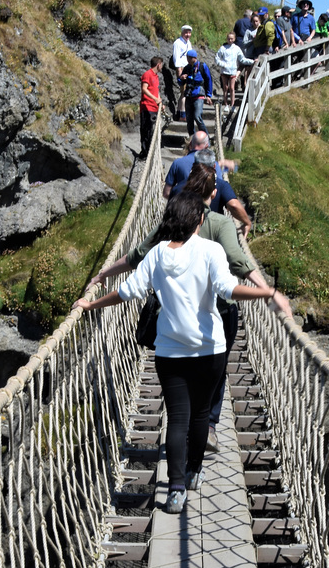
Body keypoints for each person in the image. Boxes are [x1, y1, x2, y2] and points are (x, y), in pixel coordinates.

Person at [75, 192, 279, 513]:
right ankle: (195, 472)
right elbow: (227, 289)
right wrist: (264, 291)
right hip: (210, 351)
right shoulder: (211, 250)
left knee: (177, 419)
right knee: (200, 415)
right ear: (199, 220)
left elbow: (126, 292)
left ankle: (176, 488)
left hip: (169, 353)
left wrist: (90, 303)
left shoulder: (156, 254)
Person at [87, 165, 293, 455]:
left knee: (179, 402)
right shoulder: (221, 224)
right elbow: (239, 263)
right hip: (221, 313)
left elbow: (137, 257)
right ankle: (208, 426)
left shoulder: (171, 224)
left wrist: (102, 275)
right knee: (215, 376)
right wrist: (268, 292)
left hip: (174, 329)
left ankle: (179, 473)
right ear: (214, 192)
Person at [215, 32, 253, 113]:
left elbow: (242, 59)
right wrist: (223, 64)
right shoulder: (223, 48)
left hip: (232, 71)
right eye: (228, 38)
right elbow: (217, 58)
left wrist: (252, 61)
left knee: (232, 88)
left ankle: (232, 105)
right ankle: (226, 104)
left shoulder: (236, 48)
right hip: (224, 70)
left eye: (232, 38)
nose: (230, 40)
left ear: (234, 39)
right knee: (225, 88)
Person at [179, 49, 212, 137]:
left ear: (195, 58)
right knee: (189, 119)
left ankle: (206, 137)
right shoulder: (187, 68)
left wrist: (208, 95)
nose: (188, 60)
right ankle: (191, 138)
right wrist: (181, 78)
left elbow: (208, 80)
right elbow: (180, 82)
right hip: (189, 95)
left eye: (190, 58)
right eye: (187, 58)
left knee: (197, 117)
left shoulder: (202, 66)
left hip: (199, 94)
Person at [139, 56, 163, 158]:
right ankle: (145, 152)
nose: (161, 67)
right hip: (147, 106)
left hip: (154, 107)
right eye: (161, 64)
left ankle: (150, 152)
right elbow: (144, 88)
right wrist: (154, 98)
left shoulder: (156, 76)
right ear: (158, 64)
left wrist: (159, 102)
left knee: (152, 131)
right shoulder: (147, 74)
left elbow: (155, 90)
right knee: (146, 130)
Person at [172, 25, 192, 120]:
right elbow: (176, 59)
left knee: (183, 93)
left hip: (187, 68)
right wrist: (179, 73)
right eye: (186, 32)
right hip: (181, 69)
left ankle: (179, 112)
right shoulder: (178, 43)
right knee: (184, 92)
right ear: (182, 32)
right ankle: (183, 115)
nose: (188, 35)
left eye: (189, 33)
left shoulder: (188, 43)